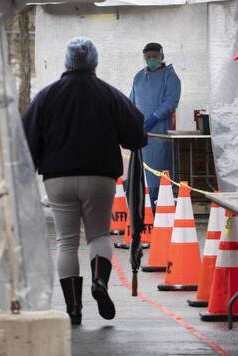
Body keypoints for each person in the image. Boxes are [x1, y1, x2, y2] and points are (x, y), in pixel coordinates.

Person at [22, 37, 147, 325]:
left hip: (58, 178)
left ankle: (74, 308)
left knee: (66, 241)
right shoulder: (109, 94)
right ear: (94, 62)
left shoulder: (46, 96)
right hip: (100, 177)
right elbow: (136, 135)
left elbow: (25, 143)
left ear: (66, 61)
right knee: (99, 235)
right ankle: (99, 282)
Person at [129, 42, 181, 211]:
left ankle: (159, 210)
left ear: (161, 56)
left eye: (154, 57)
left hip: (159, 133)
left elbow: (171, 102)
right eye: (148, 57)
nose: (151, 60)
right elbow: (131, 101)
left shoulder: (170, 76)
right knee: (142, 174)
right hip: (140, 134)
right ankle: (144, 211)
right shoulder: (139, 76)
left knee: (158, 174)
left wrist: (154, 118)